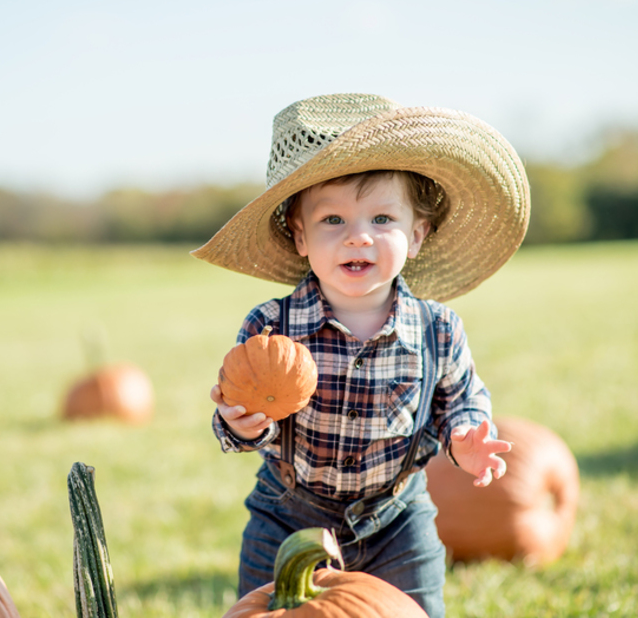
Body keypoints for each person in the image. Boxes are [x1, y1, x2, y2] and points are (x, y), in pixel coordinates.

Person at [192, 93, 530, 617]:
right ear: (299, 235)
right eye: (332, 220)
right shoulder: (269, 325)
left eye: (381, 218)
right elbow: (246, 421)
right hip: (287, 515)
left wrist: (465, 436)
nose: (358, 237)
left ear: (415, 235)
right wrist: (241, 422)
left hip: (398, 519)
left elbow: (460, 399)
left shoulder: (438, 329)